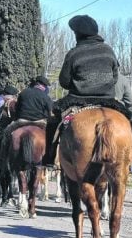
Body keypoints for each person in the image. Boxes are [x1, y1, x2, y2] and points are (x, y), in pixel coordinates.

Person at [42, 14, 119, 166]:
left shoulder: (74, 53)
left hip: (78, 98)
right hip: (108, 100)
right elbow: (115, 77)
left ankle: (49, 158)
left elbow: (64, 81)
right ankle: (130, 160)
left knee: (52, 119)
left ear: (78, 34)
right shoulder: (108, 50)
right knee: (129, 120)